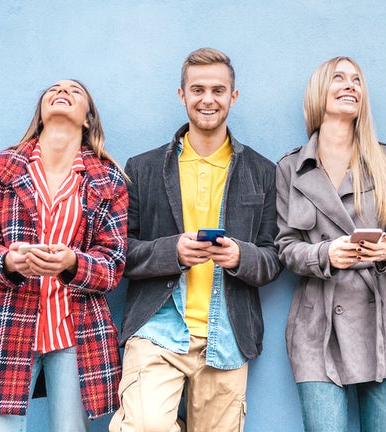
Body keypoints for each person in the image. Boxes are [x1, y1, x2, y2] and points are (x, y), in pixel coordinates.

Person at [109, 47, 281, 432]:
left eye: (218, 90)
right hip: (158, 327)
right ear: (181, 94)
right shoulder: (144, 167)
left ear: (233, 97)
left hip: (228, 332)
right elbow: (120, 253)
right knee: (145, 426)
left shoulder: (262, 170)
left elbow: (273, 259)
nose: (208, 99)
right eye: (198, 89)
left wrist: (239, 256)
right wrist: (173, 251)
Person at [0, 79, 127, 431]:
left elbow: (113, 263)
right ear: (41, 113)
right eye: (53, 89)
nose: (62, 91)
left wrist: (73, 263)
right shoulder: (1, 169)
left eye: (75, 91)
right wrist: (7, 262)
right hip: (8, 325)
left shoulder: (108, 179)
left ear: (87, 119)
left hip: (76, 332)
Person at [276, 56, 386, 432]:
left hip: (384, 326)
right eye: (339, 78)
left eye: (356, 80)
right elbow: (286, 246)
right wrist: (326, 253)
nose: (350, 85)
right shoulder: (290, 168)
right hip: (318, 327)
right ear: (318, 92)